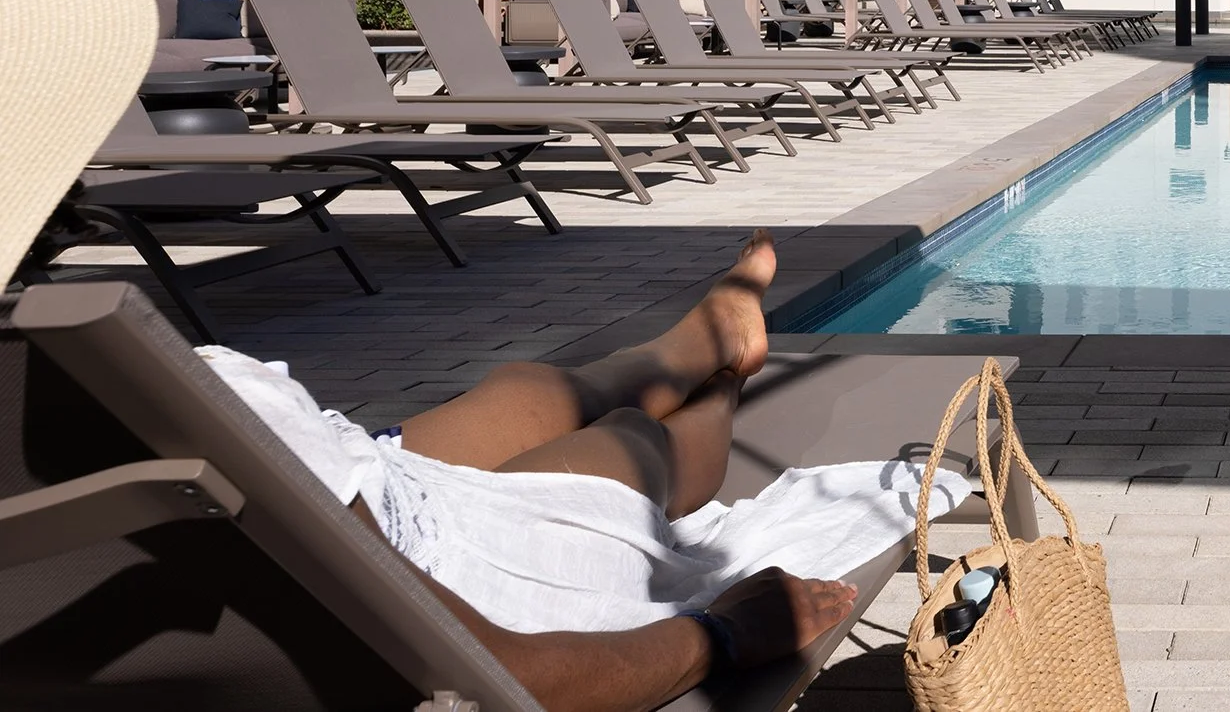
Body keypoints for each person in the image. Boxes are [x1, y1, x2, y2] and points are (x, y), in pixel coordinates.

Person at [200, 228, 967, 712]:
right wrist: (725, 632)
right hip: (443, 585)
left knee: (523, 393)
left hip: (355, 489)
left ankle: (710, 334)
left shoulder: (161, 399)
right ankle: (723, 379)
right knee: (629, 437)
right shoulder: (201, 406)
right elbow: (501, 677)